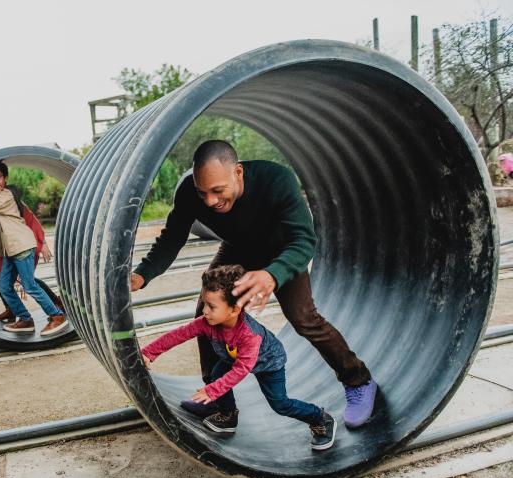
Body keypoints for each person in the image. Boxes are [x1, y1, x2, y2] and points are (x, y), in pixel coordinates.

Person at [131, 140, 377, 428]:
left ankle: (358, 380)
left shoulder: (277, 181)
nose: (210, 201)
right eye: (203, 192)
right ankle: (218, 400)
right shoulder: (190, 193)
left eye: (218, 191)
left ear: (238, 172)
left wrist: (272, 274)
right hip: (238, 249)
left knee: (304, 319)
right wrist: (143, 274)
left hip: (282, 252)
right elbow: (172, 238)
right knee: (208, 315)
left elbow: (304, 240)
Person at [141, 265, 336, 449]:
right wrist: (149, 352)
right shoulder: (206, 322)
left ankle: (319, 418)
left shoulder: (249, 335)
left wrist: (212, 391)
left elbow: (242, 369)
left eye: (211, 306)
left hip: (268, 363)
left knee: (280, 404)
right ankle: (228, 416)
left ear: (234, 309)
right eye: (204, 303)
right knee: (217, 373)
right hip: (232, 357)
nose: (204, 310)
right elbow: (179, 334)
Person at [0, 161, 69, 337]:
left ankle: (57, 316)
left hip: (21, 246)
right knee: (4, 285)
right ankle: (25, 319)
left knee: (30, 285)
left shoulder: (5, 196)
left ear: (6, 179)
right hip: (11, 249)